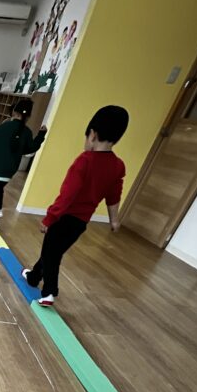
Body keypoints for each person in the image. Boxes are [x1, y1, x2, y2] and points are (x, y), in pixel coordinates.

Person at [22, 105, 129, 306]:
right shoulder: (118, 165)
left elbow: (67, 194)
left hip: (63, 218)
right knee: (52, 251)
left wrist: (50, 218)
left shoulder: (85, 160)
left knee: (51, 254)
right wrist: (114, 220)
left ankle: (49, 292)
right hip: (80, 223)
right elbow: (114, 196)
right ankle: (34, 277)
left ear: (93, 134)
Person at [0, 99, 47, 228]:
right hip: (10, 170)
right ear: (28, 116)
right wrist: (41, 134)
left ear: (14, 112)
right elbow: (30, 148)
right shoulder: (27, 132)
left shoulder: (3, 127)